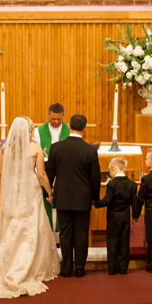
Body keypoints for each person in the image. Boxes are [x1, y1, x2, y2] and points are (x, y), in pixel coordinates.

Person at [0, 117, 60, 298]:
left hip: (13, 189)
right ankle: (27, 264)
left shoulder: (5, 149)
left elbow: (1, 174)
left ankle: (6, 262)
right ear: (29, 130)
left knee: (12, 223)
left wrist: (6, 192)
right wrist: (49, 192)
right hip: (30, 189)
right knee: (31, 226)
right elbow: (42, 174)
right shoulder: (35, 147)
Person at [45, 114, 101, 278]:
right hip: (83, 199)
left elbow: (49, 174)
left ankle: (66, 268)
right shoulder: (90, 150)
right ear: (84, 129)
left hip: (62, 197)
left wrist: (49, 193)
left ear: (68, 127)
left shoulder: (56, 148)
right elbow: (95, 178)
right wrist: (95, 198)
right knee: (82, 233)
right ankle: (81, 268)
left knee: (65, 233)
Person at [94, 156, 140, 275]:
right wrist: (135, 216)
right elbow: (134, 202)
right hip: (125, 218)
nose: (110, 174)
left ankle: (112, 269)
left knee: (112, 242)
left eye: (110, 171)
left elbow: (106, 201)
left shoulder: (112, 184)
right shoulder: (132, 184)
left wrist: (95, 203)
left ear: (113, 168)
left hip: (113, 219)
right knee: (124, 243)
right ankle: (123, 268)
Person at [34, 103, 69, 242]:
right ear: (47, 114)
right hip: (45, 173)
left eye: (59, 119)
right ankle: (48, 238)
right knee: (46, 206)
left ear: (63, 116)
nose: (56, 122)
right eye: (53, 118)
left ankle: (61, 239)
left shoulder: (70, 129)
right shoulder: (38, 131)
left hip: (64, 174)